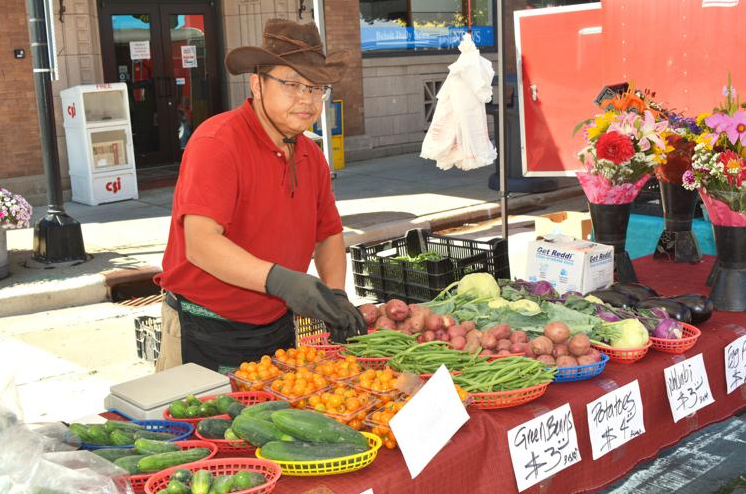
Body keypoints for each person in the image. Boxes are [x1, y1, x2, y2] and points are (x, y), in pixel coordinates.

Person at [154, 18, 366, 373]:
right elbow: (201, 243)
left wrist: (336, 296)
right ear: (257, 84)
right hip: (205, 327)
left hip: (277, 328)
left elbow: (328, 233)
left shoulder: (311, 155)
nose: (306, 99)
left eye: (316, 87)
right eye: (292, 84)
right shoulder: (217, 142)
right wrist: (282, 281)